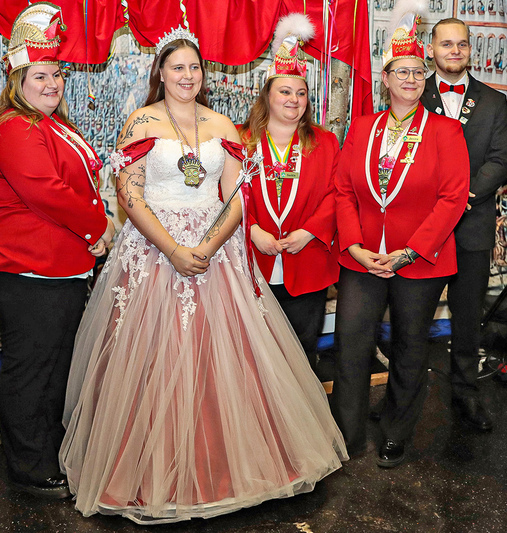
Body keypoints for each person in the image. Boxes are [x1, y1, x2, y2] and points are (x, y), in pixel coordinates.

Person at [60, 22, 346, 524]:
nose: (187, 75)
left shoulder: (222, 125)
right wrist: (172, 248)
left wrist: (209, 245)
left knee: (223, 354)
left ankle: (226, 467)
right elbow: (130, 194)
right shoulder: (141, 122)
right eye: (178, 67)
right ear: (161, 72)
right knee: (156, 353)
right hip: (154, 251)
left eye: (194, 67)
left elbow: (237, 196)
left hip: (216, 253)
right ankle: (149, 473)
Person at [0, 3, 114, 499]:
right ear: (18, 80)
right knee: (32, 369)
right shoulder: (16, 127)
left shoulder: (49, 124)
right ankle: (29, 467)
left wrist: (92, 232)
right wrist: (99, 226)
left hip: (57, 268)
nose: (52, 83)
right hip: (26, 268)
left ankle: (47, 454)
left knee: (54, 368)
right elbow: (47, 192)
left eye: (56, 74)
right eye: (40, 75)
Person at [332, 6, 469, 468]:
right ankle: (347, 435)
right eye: (401, 71)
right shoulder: (362, 127)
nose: (411, 78)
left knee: (410, 347)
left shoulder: (446, 131)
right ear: (385, 79)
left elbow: (453, 198)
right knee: (352, 344)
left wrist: (409, 251)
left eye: (417, 71)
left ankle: (396, 432)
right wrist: (355, 246)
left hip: (420, 260)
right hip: (362, 258)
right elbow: (343, 189)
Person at [421, 18, 507, 432]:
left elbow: (500, 161)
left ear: (471, 50)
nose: (454, 51)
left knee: (466, 318)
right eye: (446, 44)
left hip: (472, 227)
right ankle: (403, 396)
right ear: (431, 49)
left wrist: (458, 200)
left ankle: (465, 393)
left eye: (461, 44)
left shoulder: (493, 101)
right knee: (412, 317)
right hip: (422, 229)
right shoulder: (412, 94)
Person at [239, 14, 339, 376]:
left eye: (301, 93)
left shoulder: (326, 143)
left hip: (307, 263)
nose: (294, 100)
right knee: (253, 356)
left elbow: (337, 194)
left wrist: (309, 232)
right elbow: (226, 195)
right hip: (253, 263)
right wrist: (252, 231)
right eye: (285, 91)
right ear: (267, 95)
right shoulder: (240, 141)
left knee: (302, 353)